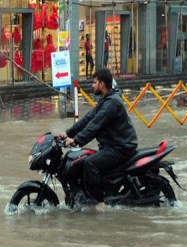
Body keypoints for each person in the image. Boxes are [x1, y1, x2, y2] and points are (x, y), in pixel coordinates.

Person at [57, 68, 137, 203]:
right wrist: (67, 133)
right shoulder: (106, 100)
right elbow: (88, 119)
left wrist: (76, 140)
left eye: (94, 82)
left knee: (90, 163)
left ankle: (98, 202)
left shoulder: (112, 103)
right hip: (112, 145)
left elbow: (94, 126)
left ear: (102, 84)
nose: (92, 85)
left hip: (121, 147)